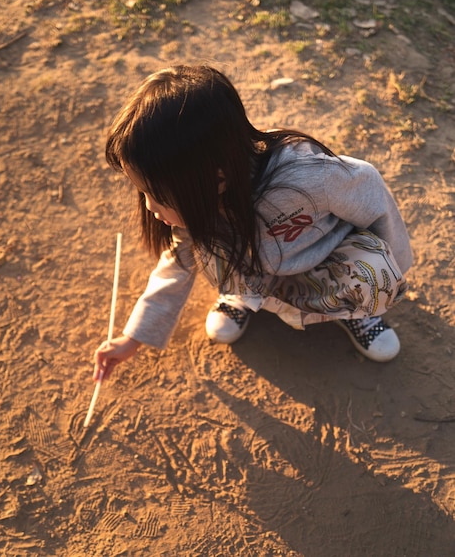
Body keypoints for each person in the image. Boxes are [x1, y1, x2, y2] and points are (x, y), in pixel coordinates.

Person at [93, 64, 413, 382]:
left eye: (158, 195)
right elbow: (177, 264)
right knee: (205, 249)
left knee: (375, 268)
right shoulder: (197, 199)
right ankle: (242, 297)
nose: (150, 208)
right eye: (143, 192)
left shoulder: (310, 177)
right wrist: (133, 337)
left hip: (322, 264)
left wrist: (389, 270)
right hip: (259, 270)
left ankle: (359, 312)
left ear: (218, 177)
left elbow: (368, 184)